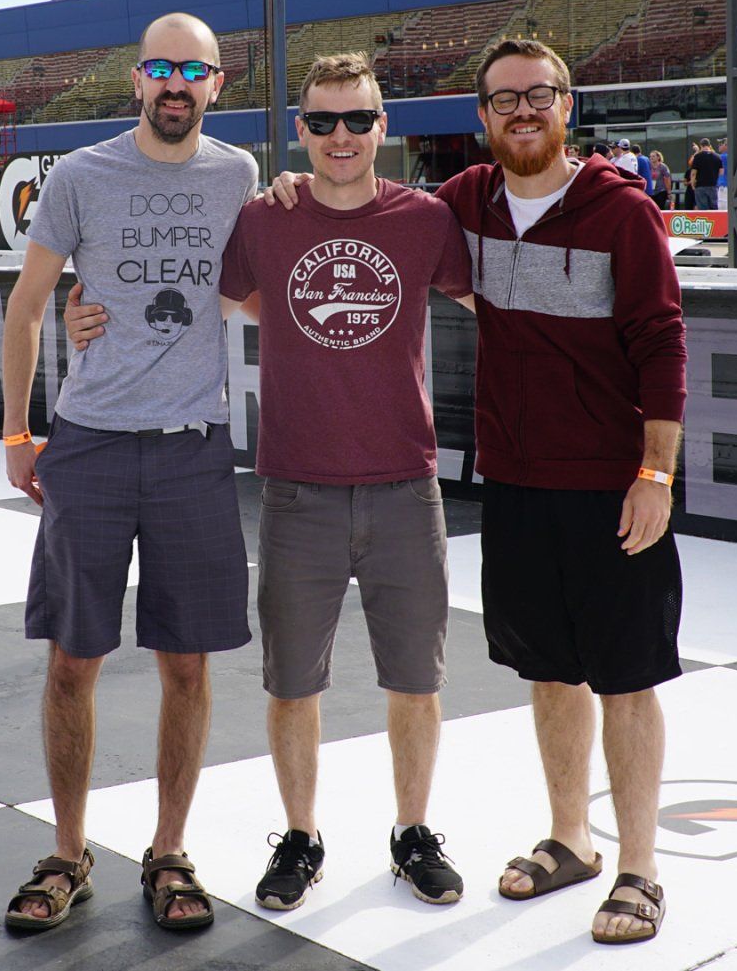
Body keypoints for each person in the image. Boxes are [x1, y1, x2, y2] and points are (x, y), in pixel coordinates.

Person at [268, 38, 685, 946]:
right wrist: (289, 189)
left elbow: (662, 342)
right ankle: (570, 838)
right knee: (549, 671)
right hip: (519, 482)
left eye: (539, 96)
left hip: (614, 485)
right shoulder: (462, 205)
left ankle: (640, 867)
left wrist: (655, 472)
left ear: (567, 105)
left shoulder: (623, 211)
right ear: (482, 119)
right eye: (504, 100)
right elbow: (365, 213)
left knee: (628, 678)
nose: (523, 111)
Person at [77, 53, 475, 911]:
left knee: (417, 680)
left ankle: (412, 833)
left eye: (357, 120)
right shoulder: (265, 218)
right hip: (296, 489)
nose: (341, 136)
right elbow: (187, 299)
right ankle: (301, 835)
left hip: (407, 485)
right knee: (293, 682)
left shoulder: (425, 220)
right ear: (299, 129)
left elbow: (506, 304)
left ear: (383, 128)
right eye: (324, 121)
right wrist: (86, 303)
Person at [0, 12, 256, 935]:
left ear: (217, 83)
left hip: (192, 446)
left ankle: (169, 849)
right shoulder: (81, 175)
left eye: (194, 69)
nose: (176, 84)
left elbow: (246, 286)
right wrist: (17, 431)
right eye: (161, 68)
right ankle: (67, 852)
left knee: (186, 662)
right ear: (136, 80)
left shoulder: (239, 174)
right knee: (75, 659)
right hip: (92, 445)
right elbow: (29, 307)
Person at [689, 139, 723, 210]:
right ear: (709, 145)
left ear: (701, 146)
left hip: (700, 186)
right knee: (714, 208)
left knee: (703, 210)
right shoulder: (717, 157)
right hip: (713, 186)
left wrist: (692, 183)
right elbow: (721, 172)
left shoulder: (697, 157)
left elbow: (693, 173)